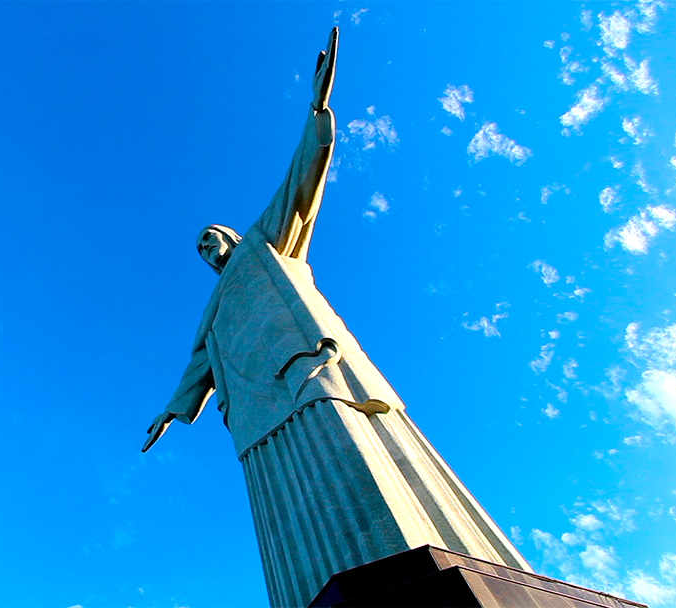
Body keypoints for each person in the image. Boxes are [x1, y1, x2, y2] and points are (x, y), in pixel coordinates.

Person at [141, 27, 530, 608]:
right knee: (282, 490)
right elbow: (198, 367)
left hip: (307, 365)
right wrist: (172, 410)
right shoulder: (213, 313)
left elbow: (301, 182)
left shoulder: (264, 245)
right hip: (255, 410)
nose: (207, 250)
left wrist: (318, 113)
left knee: (352, 440)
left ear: (227, 235)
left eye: (209, 239)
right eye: (199, 249)